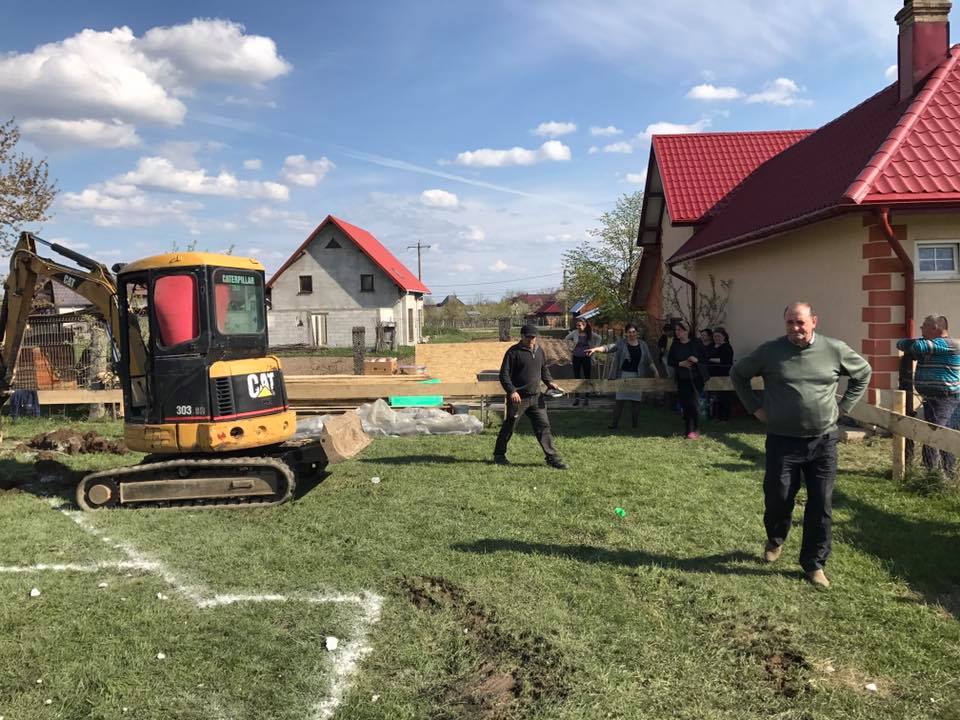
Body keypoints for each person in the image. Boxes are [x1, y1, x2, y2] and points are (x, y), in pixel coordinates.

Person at [730, 302, 871, 589]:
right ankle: (775, 538)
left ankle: (814, 563)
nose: (795, 328)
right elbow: (738, 374)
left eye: (800, 322)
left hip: (823, 441)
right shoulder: (770, 351)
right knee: (778, 497)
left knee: (821, 503)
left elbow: (863, 373)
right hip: (782, 440)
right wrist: (755, 408)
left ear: (814, 321)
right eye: (790, 323)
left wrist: (844, 408)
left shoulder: (834, 349)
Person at [494, 324, 568, 469]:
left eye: (534, 337)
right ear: (522, 336)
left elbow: (543, 369)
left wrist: (550, 383)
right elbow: (504, 375)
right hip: (518, 399)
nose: (531, 340)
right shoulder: (513, 352)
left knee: (543, 426)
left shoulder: (539, 351)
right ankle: (499, 455)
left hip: (536, 397)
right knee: (509, 426)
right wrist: (512, 391)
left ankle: (552, 458)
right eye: (528, 337)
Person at [896, 314, 960, 476]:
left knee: (937, 434)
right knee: (935, 432)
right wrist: (914, 343)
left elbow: (916, 347)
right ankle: (936, 472)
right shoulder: (930, 345)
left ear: (934, 328)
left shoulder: (950, 344)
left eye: (923, 326)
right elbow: (900, 343)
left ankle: (941, 474)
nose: (921, 328)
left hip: (946, 399)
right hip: (932, 398)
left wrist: (914, 344)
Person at [587, 323, 657, 429]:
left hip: (637, 376)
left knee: (636, 402)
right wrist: (595, 349)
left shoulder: (643, 345)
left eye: (633, 332)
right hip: (623, 375)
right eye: (629, 332)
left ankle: (635, 426)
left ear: (637, 333)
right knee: (619, 401)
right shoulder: (621, 343)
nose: (632, 334)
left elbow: (649, 360)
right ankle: (614, 425)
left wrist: (655, 371)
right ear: (626, 333)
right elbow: (608, 348)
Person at [667, 322, 707, 439]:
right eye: (676, 330)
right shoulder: (675, 345)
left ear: (686, 331)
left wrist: (696, 360)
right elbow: (670, 361)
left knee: (693, 404)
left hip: (695, 378)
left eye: (679, 330)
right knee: (685, 404)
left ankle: (696, 429)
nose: (677, 332)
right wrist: (681, 363)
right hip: (682, 378)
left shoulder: (696, 343)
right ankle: (688, 430)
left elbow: (705, 358)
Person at [564, 318, 602, 406]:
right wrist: (570, 348)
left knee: (587, 377)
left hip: (586, 357)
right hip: (576, 357)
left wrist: (595, 348)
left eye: (579, 325)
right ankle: (577, 398)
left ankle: (586, 398)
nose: (578, 327)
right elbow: (566, 338)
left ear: (584, 325)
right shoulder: (575, 332)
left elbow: (599, 338)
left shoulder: (589, 333)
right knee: (576, 377)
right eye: (577, 325)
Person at [707, 328, 734, 420]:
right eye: (715, 336)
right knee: (716, 396)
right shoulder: (712, 346)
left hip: (723, 374)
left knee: (724, 396)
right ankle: (716, 416)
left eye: (718, 336)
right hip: (712, 375)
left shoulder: (727, 347)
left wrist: (710, 359)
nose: (716, 338)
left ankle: (725, 417)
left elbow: (724, 360)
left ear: (724, 337)